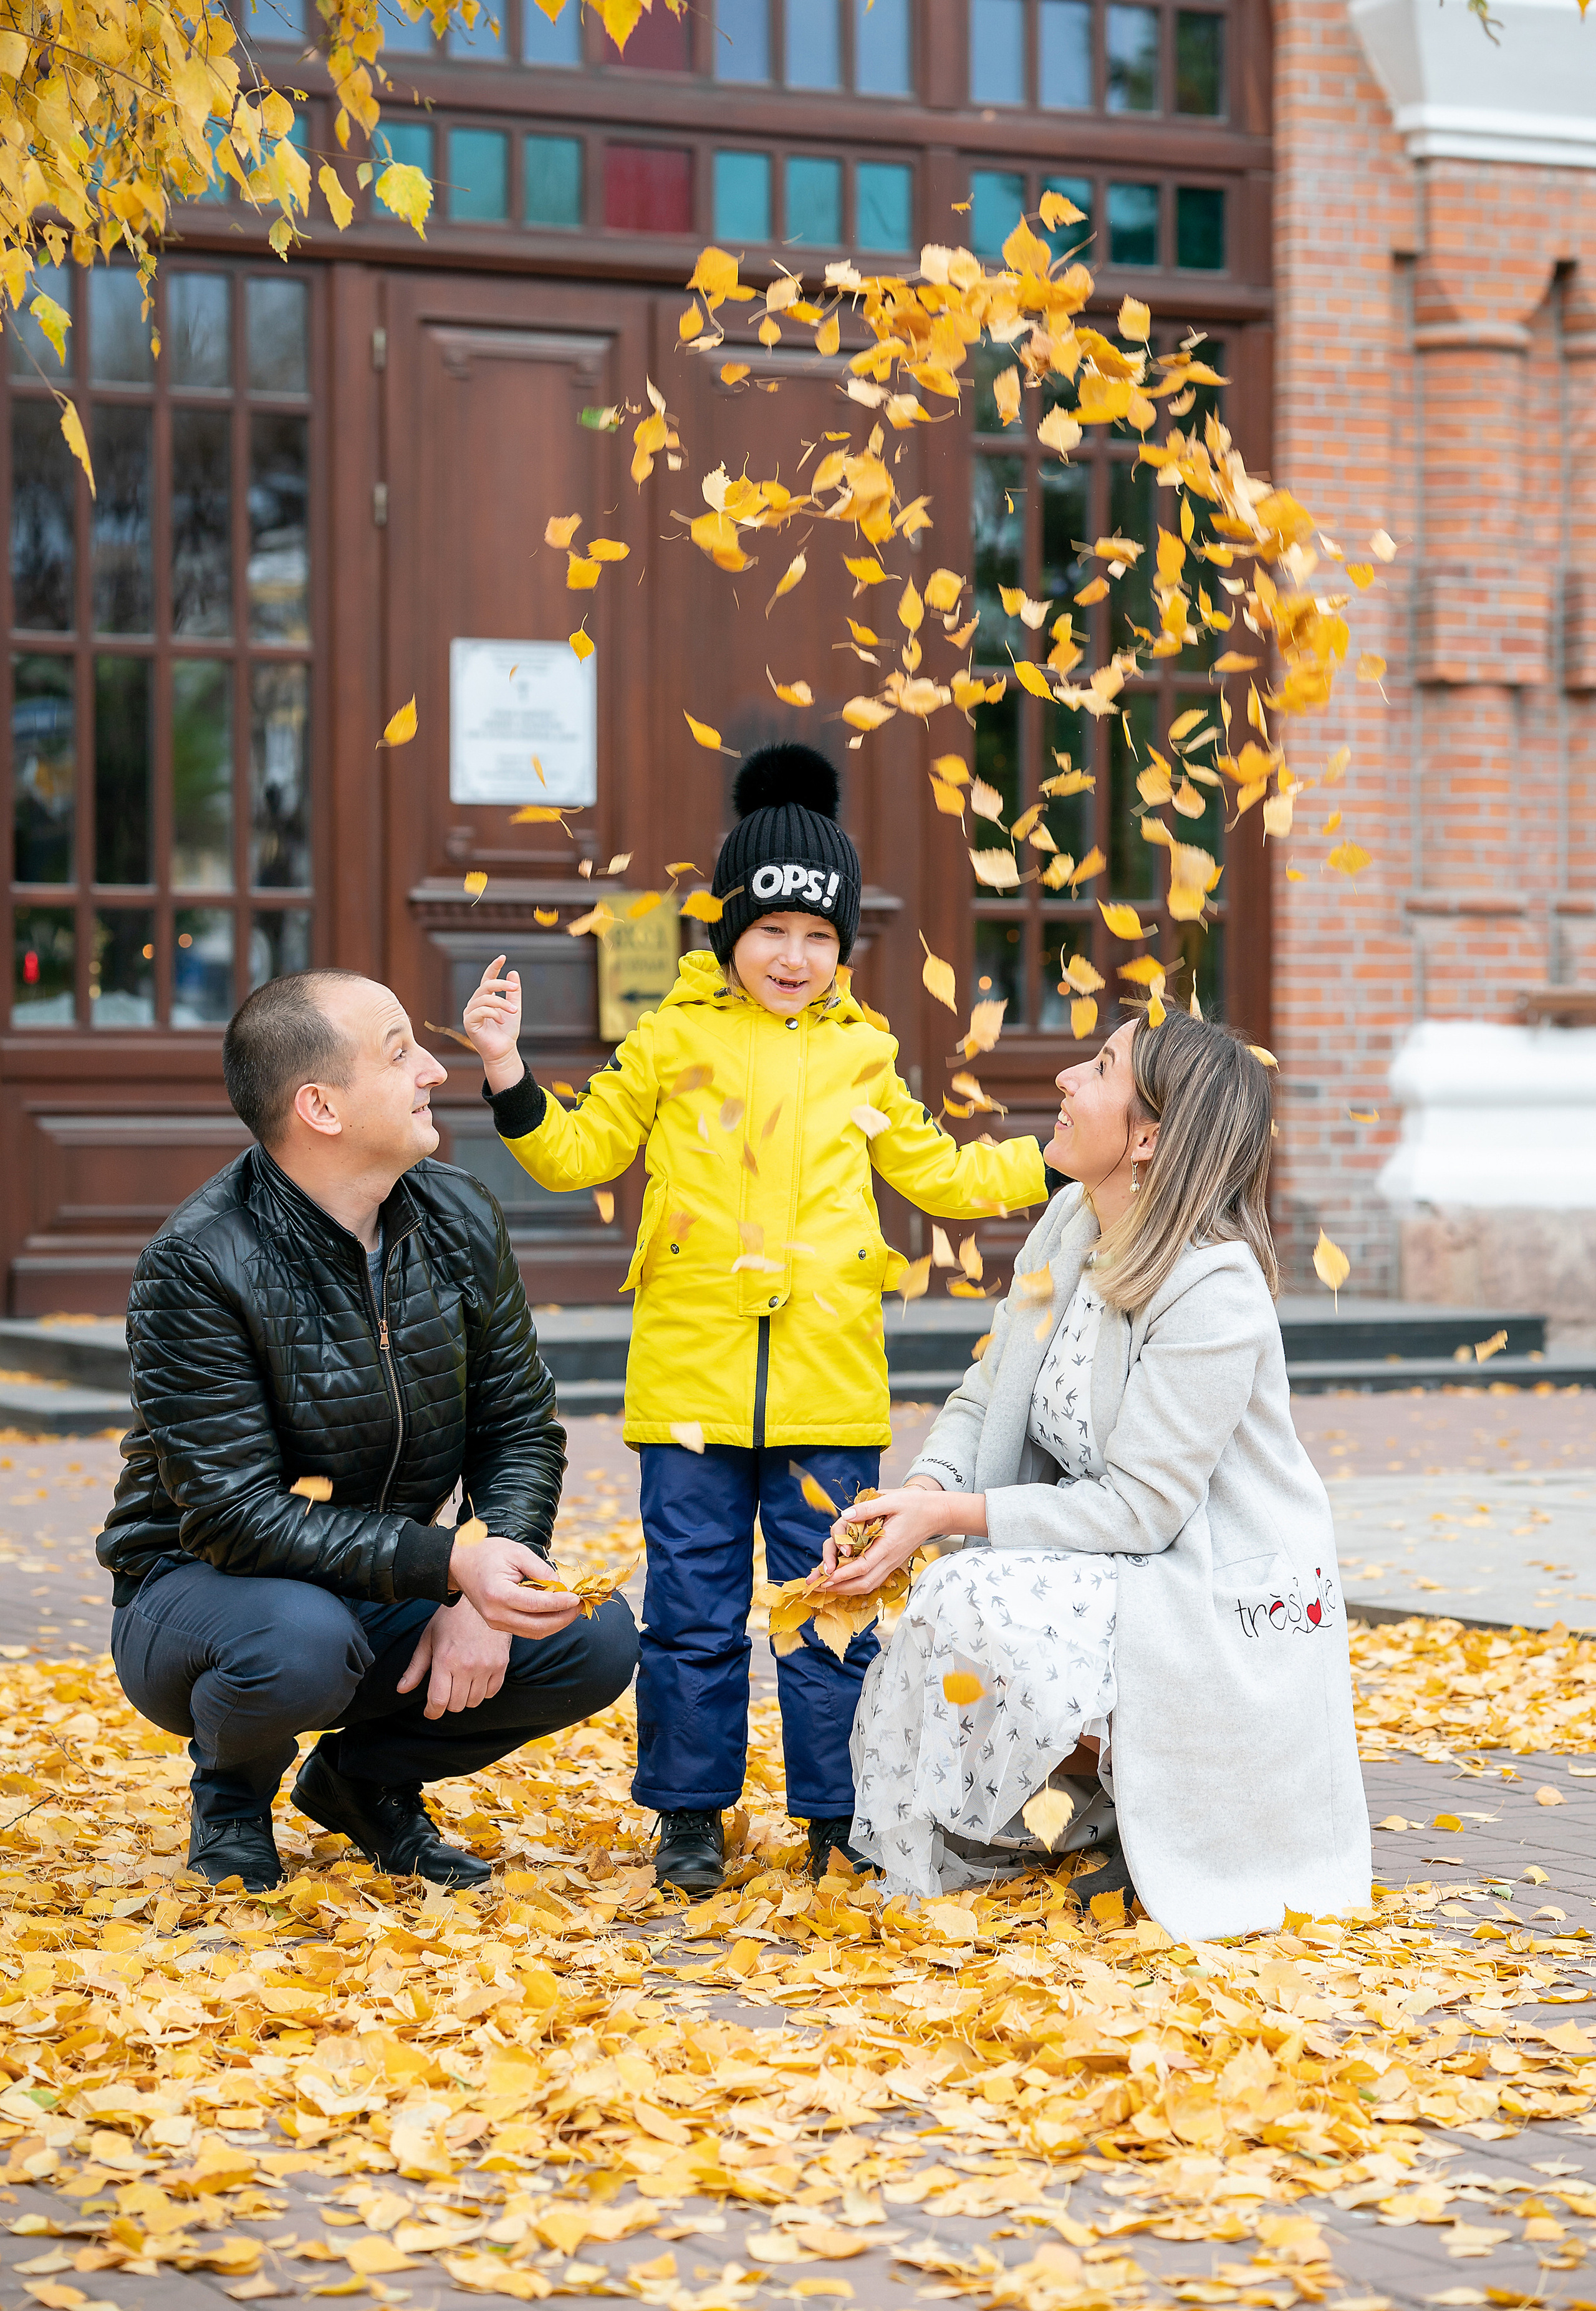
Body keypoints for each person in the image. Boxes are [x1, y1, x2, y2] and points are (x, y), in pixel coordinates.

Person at [461, 742, 1054, 1898]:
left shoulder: (864, 1053)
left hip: (829, 1385)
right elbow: (577, 1151)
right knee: (692, 1613)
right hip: (690, 1388)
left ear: (844, 946)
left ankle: (840, 1815)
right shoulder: (672, 1039)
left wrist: (1061, 1160)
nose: (793, 957)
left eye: (819, 936)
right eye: (772, 930)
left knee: (834, 1608)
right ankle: (690, 1813)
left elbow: (940, 1175)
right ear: (729, 930)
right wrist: (505, 1068)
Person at [817, 1007, 1371, 1942]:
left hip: (1210, 1574)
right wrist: (920, 1496)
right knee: (954, 1592)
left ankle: (1151, 1808)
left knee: (973, 1595)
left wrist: (953, 1518)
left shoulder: (1213, 1287)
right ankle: (1099, 1804)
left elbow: (1142, 1510)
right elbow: (987, 1390)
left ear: (1147, 1139)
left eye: (1101, 1068)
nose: (1067, 1078)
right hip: (1115, 1553)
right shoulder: (1071, 1222)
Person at [96, 969, 638, 1896]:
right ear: (321, 1107)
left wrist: (485, 1580)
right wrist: (447, 1564)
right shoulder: (199, 1262)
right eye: (399, 1053)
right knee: (297, 1642)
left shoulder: (458, 1215)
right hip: (201, 1593)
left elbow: (518, 1425)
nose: (434, 1068)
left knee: (592, 1637)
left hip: (384, 1578)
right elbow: (233, 1517)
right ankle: (231, 1796)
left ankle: (362, 1783)